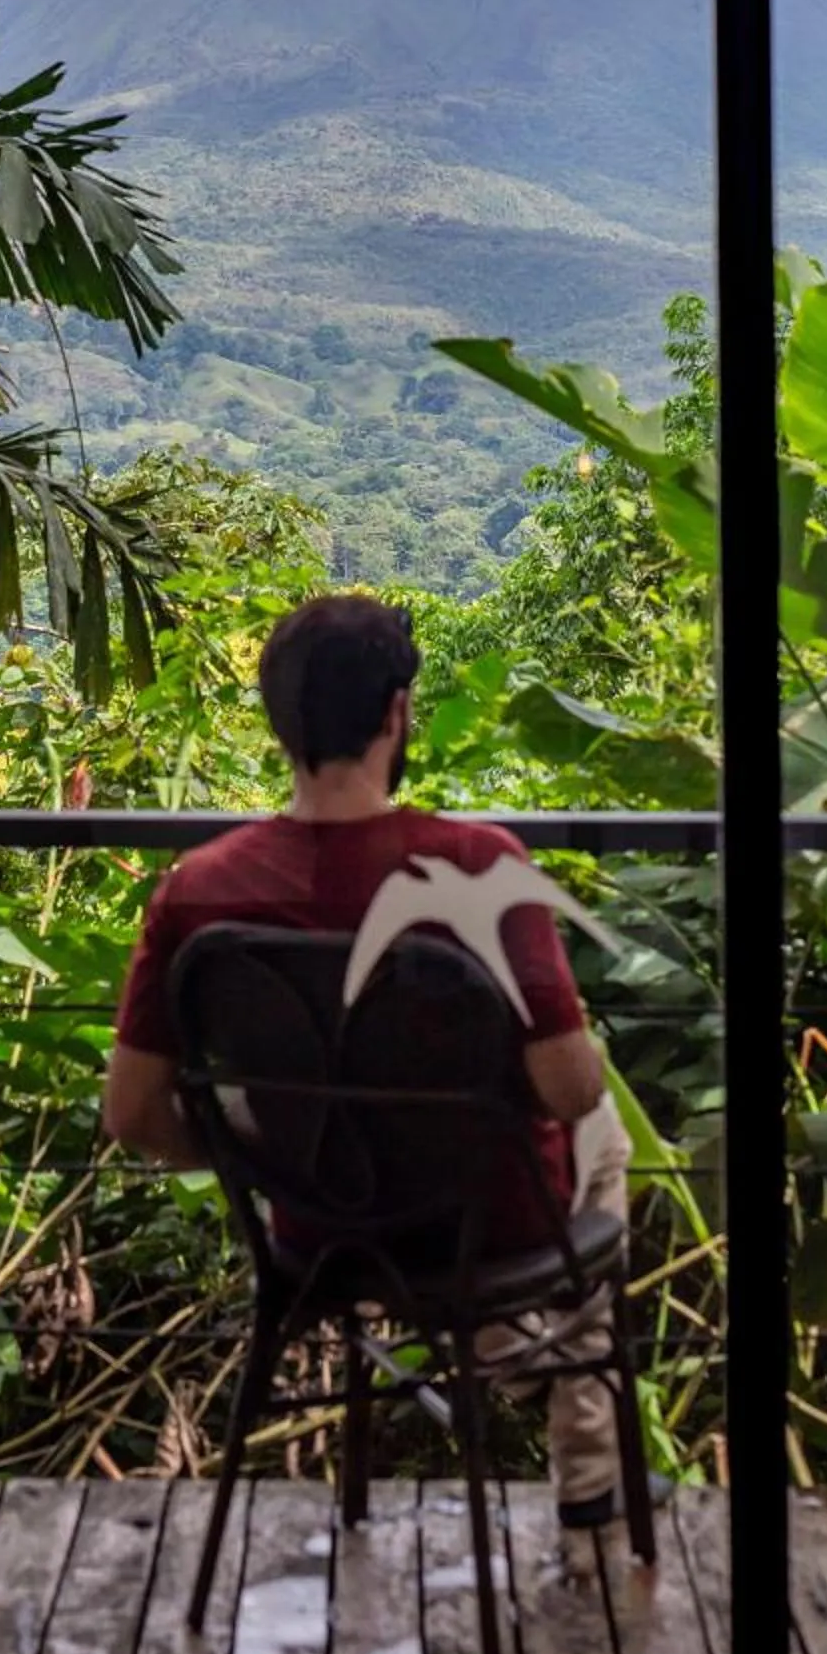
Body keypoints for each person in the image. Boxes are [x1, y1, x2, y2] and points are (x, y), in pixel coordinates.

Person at [104, 590, 642, 1528]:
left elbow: (132, 1115)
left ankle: (511, 1350)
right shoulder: (477, 867)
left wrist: (265, 1137)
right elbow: (568, 1085)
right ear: (397, 714)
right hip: (489, 1232)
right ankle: (578, 1447)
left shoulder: (198, 893)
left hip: (320, 1228)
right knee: (602, 1128)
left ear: (278, 721)